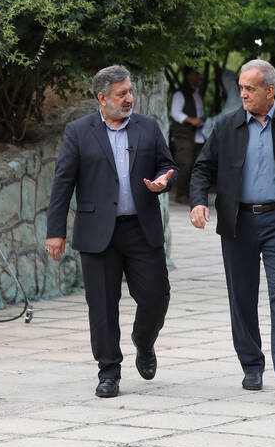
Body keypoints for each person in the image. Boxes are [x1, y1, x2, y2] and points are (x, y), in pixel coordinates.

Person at [189, 59, 275, 401]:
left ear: (269, 91)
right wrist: (198, 202)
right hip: (238, 223)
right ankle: (251, 366)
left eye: (250, 88)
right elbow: (202, 169)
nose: (243, 94)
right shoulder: (227, 126)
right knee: (242, 297)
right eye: (241, 88)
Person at [46, 65, 177, 398]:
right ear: (102, 98)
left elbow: (167, 164)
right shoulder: (79, 132)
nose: (129, 98)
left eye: (130, 91)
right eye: (122, 94)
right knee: (102, 305)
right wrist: (55, 232)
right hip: (97, 233)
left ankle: (143, 341)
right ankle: (108, 371)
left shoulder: (148, 127)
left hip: (141, 228)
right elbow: (62, 184)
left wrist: (163, 180)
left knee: (156, 296)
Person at [169, 67, 206, 204]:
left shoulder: (197, 94)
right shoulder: (180, 94)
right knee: (185, 164)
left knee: (196, 166)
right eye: (196, 74)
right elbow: (175, 113)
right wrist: (191, 120)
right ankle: (181, 194)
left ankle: (191, 195)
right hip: (183, 135)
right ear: (188, 76)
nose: (199, 77)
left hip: (197, 135)